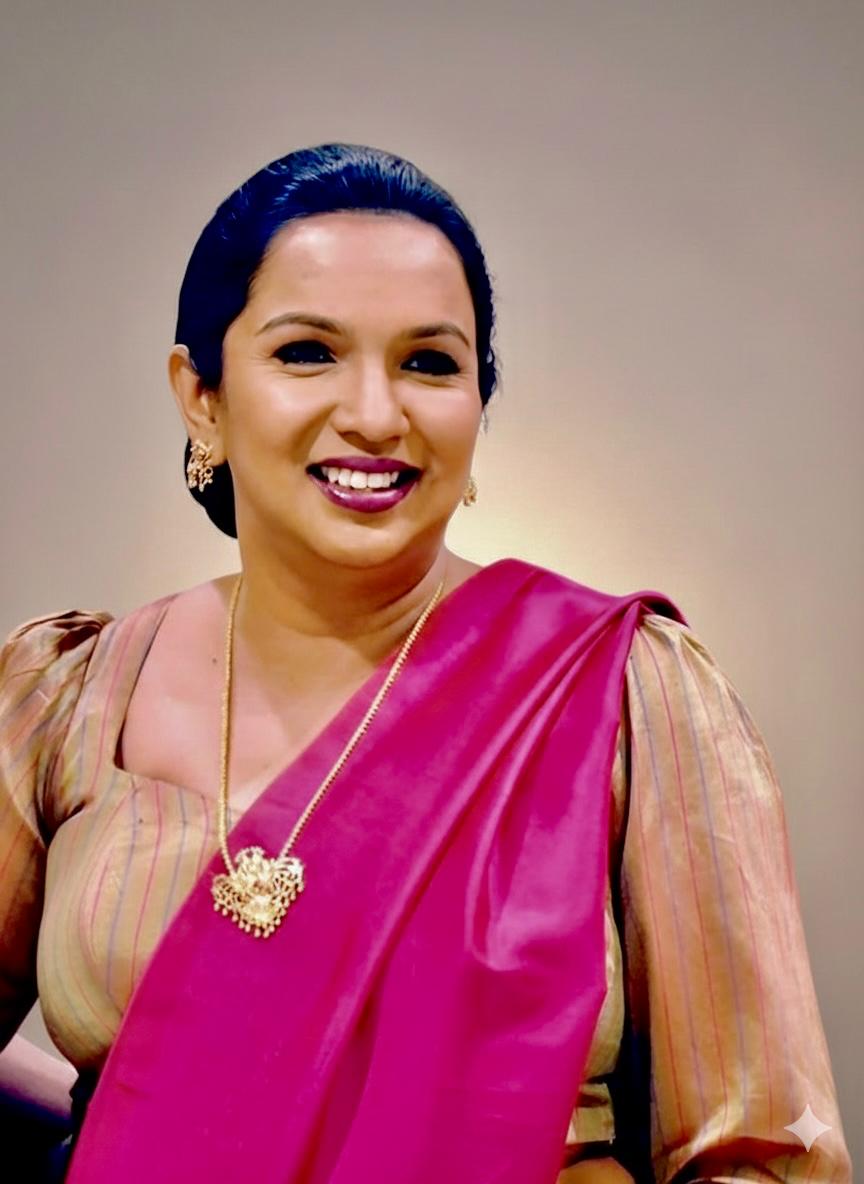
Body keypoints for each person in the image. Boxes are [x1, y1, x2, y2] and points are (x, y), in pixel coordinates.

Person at [0, 143, 851, 1184]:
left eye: (430, 363)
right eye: (307, 352)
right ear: (201, 396)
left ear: (478, 403)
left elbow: (760, 1157)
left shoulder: (625, 693)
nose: (374, 413)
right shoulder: (72, 697)